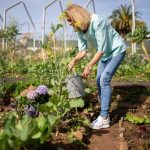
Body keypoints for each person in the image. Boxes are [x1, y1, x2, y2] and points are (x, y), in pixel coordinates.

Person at [63, 4, 126, 129]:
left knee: (104, 79)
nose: (69, 23)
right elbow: (83, 51)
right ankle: (104, 114)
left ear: (76, 16)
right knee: (99, 82)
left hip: (116, 50)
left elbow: (102, 49)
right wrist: (73, 61)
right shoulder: (79, 29)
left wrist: (89, 65)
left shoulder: (97, 21)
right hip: (105, 54)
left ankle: (104, 117)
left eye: (70, 19)